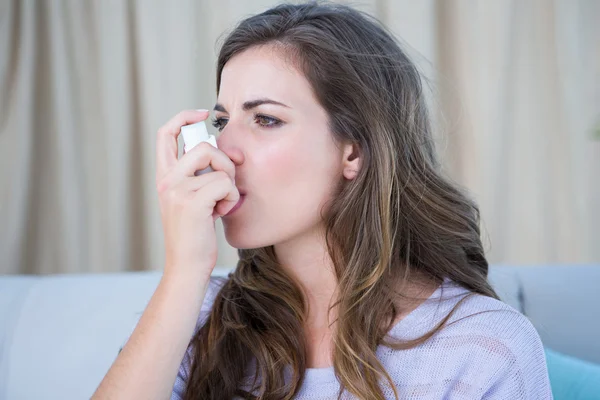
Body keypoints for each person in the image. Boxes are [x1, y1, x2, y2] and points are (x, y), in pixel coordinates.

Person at [93, 2, 553, 399]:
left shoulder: (482, 347)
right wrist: (183, 271)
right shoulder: (195, 318)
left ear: (353, 150)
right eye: (221, 121)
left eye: (266, 120)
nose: (222, 152)